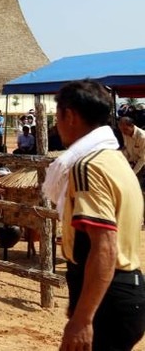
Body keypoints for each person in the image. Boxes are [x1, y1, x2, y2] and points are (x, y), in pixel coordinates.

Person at [43, 80, 145, 350]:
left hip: (108, 298)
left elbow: (104, 246)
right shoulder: (114, 159)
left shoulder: (87, 167)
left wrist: (83, 319)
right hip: (123, 290)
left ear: (70, 116)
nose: (57, 124)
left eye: (58, 116)